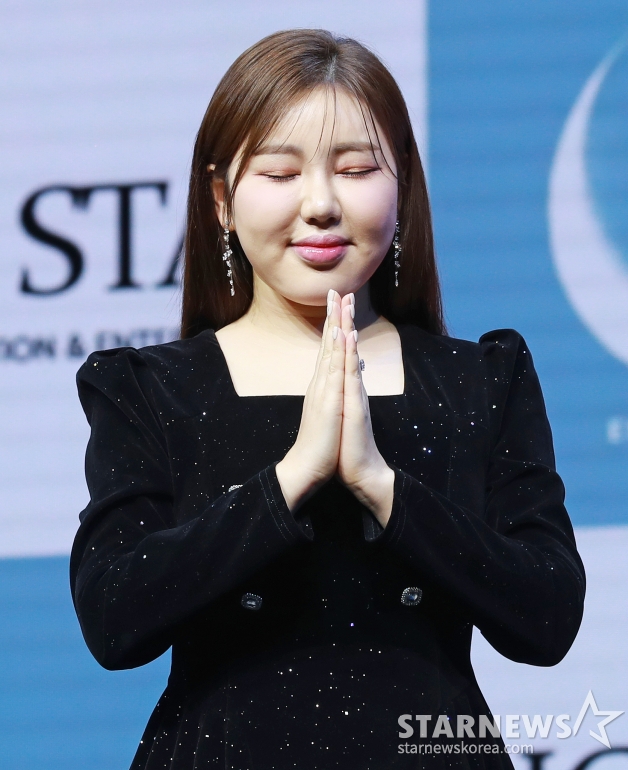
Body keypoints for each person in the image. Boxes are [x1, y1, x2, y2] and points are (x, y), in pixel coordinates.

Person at [69, 30, 585, 769]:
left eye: (356, 169)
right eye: (280, 172)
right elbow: (113, 617)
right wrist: (289, 481)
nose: (319, 204)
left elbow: (548, 616)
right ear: (221, 199)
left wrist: (381, 486)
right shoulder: (151, 389)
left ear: (402, 185)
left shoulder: (481, 379)